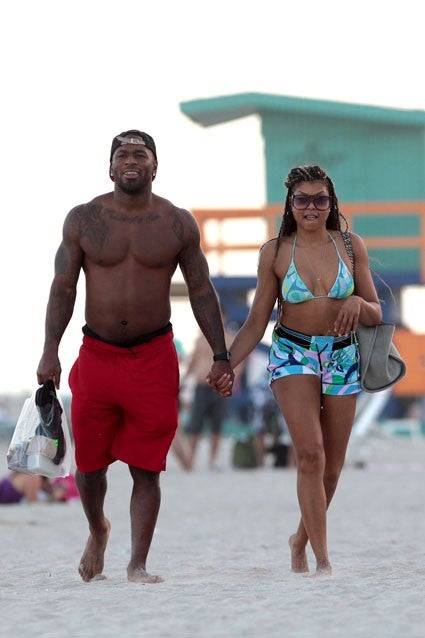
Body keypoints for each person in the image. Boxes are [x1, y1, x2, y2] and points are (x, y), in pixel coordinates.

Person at [36, 130, 234, 584]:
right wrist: (50, 349)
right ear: (109, 167)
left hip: (153, 357)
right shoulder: (84, 219)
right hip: (97, 354)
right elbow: (63, 287)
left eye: (140, 155)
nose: (131, 160)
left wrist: (220, 355)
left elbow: (202, 289)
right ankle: (97, 529)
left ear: (154, 166)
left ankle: (137, 563)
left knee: (147, 467)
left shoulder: (177, 223)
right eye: (122, 154)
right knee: (89, 466)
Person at [209, 165, 382, 575]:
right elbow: (256, 321)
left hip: (342, 355)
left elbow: (376, 311)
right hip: (293, 354)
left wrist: (358, 303)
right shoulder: (275, 252)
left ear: (331, 203)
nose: (311, 207)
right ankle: (323, 561)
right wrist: (225, 362)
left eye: (320, 199)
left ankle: (300, 538)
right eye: (302, 199)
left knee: (332, 468)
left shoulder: (350, 246)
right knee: (310, 454)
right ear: (290, 204)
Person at [183, 310, 234, 470]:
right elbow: (193, 361)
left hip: (220, 385)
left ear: (225, 318)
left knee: (216, 425)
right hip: (201, 385)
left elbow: (239, 362)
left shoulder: (230, 339)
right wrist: (184, 380)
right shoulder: (201, 339)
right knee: (195, 425)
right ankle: (190, 461)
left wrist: (232, 380)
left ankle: (213, 461)